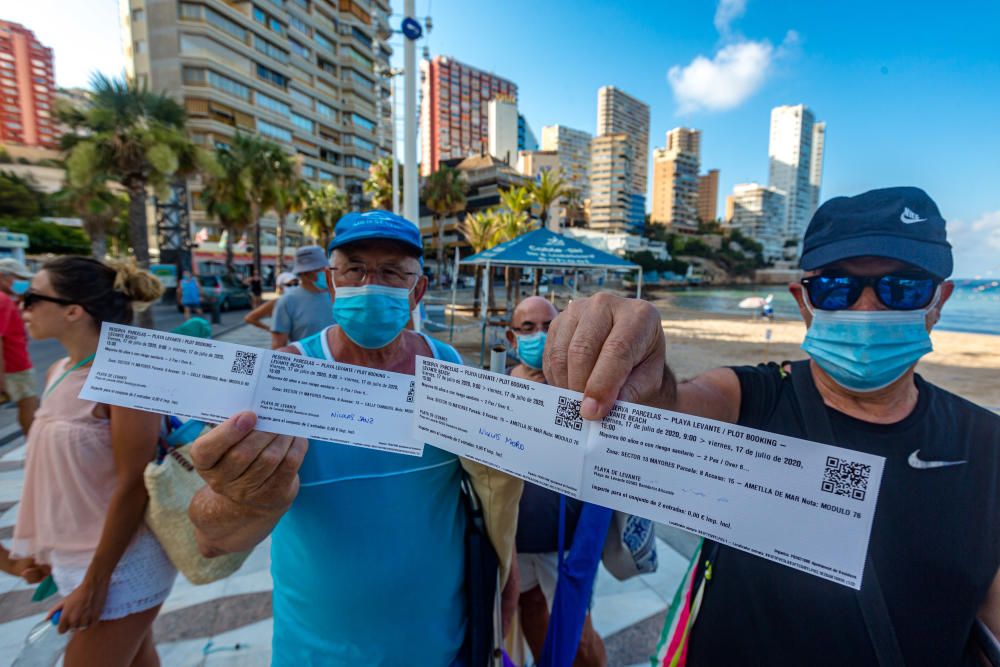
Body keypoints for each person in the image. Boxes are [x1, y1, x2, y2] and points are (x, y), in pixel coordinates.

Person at [542, 187, 1000, 665]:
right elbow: (675, 406)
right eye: (836, 288)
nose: (867, 310)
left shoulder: (988, 449)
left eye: (903, 288)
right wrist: (641, 371)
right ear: (804, 301)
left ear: (939, 300)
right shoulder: (752, 400)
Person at [187, 210, 522, 666]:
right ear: (331, 282)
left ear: (417, 290)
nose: (370, 283)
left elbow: (486, 494)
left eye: (390, 272)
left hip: (444, 647)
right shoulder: (284, 377)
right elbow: (211, 540)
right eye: (355, 268)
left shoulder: (449, 369)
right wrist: (241, 497)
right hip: (317, 654)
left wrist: (507, 583)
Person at [7, 256, 176, 666]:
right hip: (75, 558)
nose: (20, 308)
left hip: (118, 564)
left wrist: (96, 583)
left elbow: (133, 483)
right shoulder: (60, 371)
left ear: (73, 310)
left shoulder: (126, 375)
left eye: (30, 298)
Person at [507, 296, 607, 667]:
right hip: (515, 538)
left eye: (550, 326)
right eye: (528, 328)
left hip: (566, 541)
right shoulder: (496, 390)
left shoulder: (584, 391)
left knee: (579, 636)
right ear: (512, 338)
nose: (540, 335)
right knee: (530, 607)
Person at [0, 258, 39, 435]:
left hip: (11, 365)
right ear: (3, 277)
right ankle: (34, 447)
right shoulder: (3, 300)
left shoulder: (9, 299)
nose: (22, 283)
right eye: (18, 278)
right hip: (14, 366)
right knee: (29, 405)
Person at [270, 245, 334, 349]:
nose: (326, 272)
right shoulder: (287, 301)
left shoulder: (337, 295)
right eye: (320, 270)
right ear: (304, 273)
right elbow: (278, 346)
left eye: (326, 268)